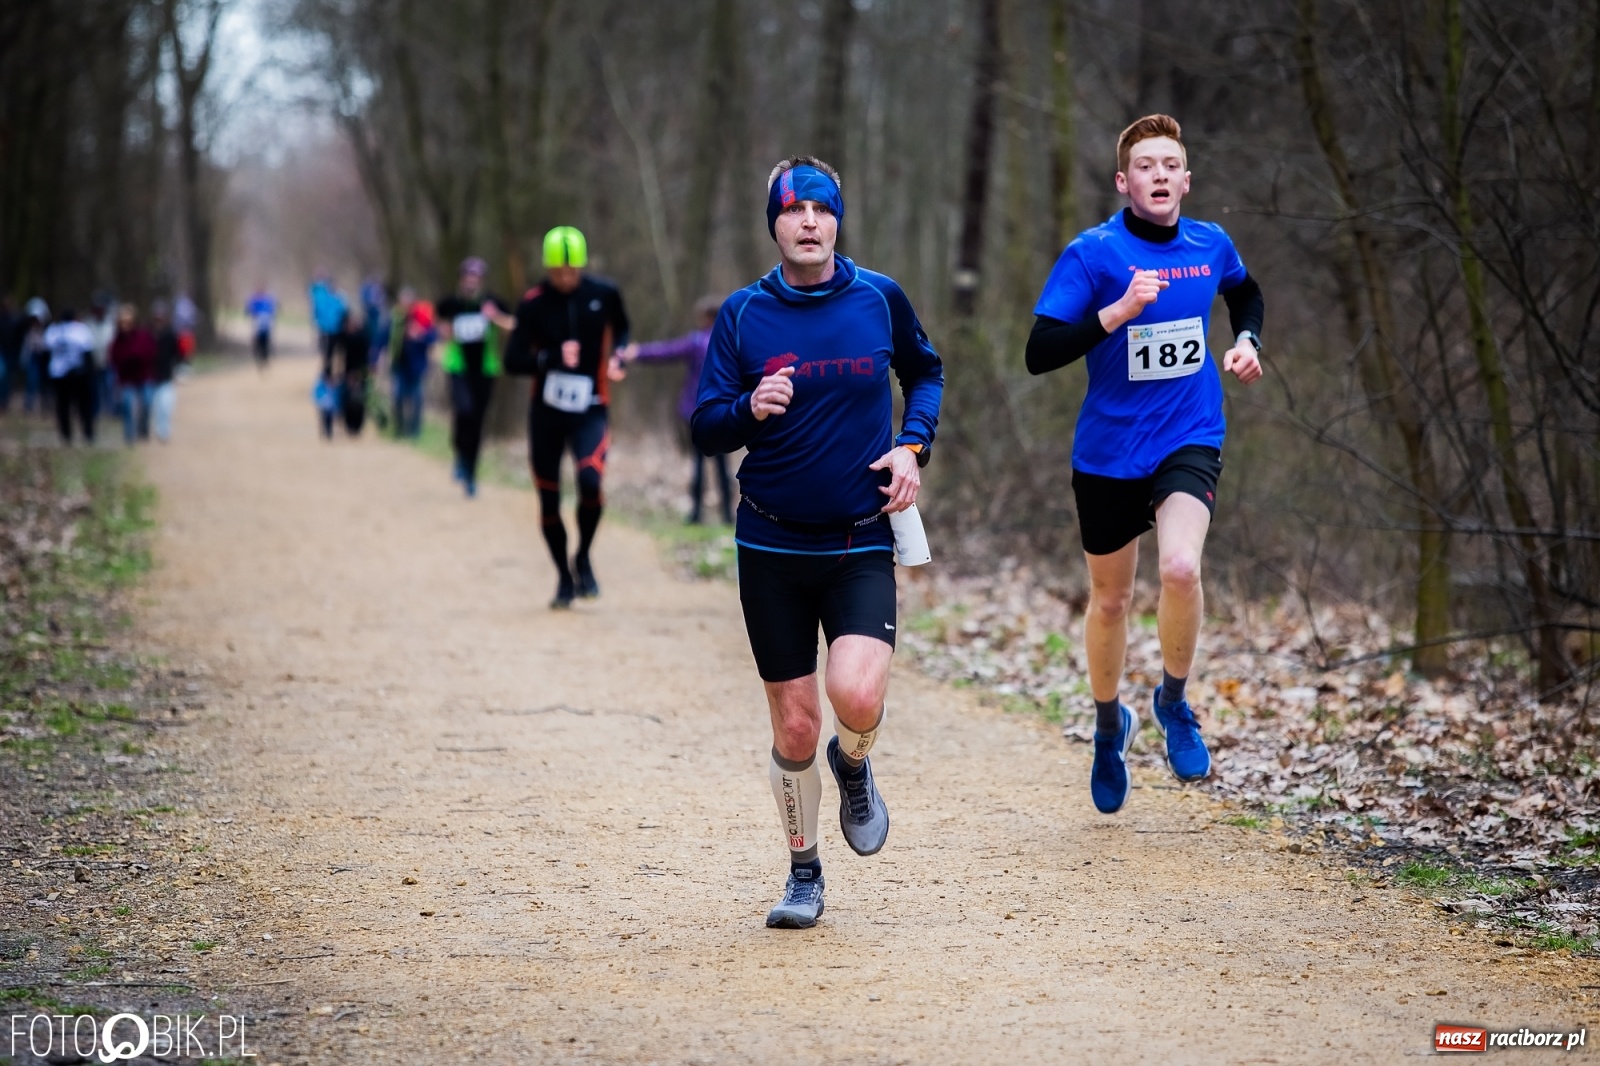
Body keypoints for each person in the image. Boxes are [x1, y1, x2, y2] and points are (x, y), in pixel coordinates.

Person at [691, 157, 943, 929]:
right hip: (769, 544)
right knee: (794, 723)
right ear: (774, 223)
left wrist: (912, 446)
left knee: (857, 696)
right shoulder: (741, 315)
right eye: (794, 209)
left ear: (838, 221)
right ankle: (804, 871)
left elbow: (926, 374)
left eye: (822, 209)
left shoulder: (879, 298)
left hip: (861, 538)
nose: (809, 221)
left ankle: (855, 763)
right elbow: (704, 426)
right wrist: (747, 408)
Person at [1025, 114, 1264, 814]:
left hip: (1189, 434)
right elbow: (1039, 352)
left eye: (1171, 164)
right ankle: (1108, 724)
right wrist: (1117, 311)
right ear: (1124, 182)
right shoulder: (1093, 255)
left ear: (1186, 181)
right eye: (1146, 165)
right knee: (1111, 600)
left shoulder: (1209, 244)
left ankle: (1174, 701)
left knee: (1181, 568)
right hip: (1107, 452)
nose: (1159, 175)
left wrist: (1247, 337)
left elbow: (1244, 290)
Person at [502, 227, 631, 607]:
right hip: (547, 413)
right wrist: (548, 359)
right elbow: (513, 359)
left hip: (590, 406)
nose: (564, 279)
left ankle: (583, 556)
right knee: (548, 499)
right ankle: (562, 576)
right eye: (557, 272)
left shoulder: (603, 293)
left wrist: (618, 355)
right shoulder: (533, 303)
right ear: (547, 269)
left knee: (590, 482)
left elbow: (622, 328)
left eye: (571, 271)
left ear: (582, 266)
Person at [616, 296, 734, 525]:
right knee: (721, 464)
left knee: (699, 463)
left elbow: (666, 352)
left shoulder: (697, 341)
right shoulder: (730, 342)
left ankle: (697, 513)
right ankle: (728, 515)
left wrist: (637, 352)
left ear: (707, 317)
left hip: (696, 412)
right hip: (723, 412)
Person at [436, 257, 510, 498]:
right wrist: (443, 330)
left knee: (478, 422)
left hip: (485, 370)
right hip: (458, 367)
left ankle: (471, 473)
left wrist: (495, 317)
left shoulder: (491, 302)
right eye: (468, 276)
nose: (472, 280)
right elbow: (435, 321)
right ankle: (459, 454)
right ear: (462, 278)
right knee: (463, 411)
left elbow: (514, 324)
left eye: (476, 277)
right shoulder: (452, 302)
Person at [44, 308, 98, 445]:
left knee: (63, 406)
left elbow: (45, 351)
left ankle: (66, 435)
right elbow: (88, 352)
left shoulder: (53, 330)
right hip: (78, 374)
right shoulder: (81, 330)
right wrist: (90, 372)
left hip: (59, 374)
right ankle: (88, 434)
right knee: (83, 406)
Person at [109, 304, 156, 444]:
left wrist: (140, 359)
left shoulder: (143, 335)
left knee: (147, 403)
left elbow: (152, 352)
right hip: (126, 379)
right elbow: (114, 357)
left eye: (128, 321)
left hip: (144, 375)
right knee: (127, 406)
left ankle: (143, 429)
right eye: (122, 322)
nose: (125, 325)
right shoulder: (117, 340)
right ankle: (129, 436)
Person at [390, 292, 434, 439]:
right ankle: (399, 429)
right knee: (397, 397)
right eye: (403, 302)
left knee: (417, 400)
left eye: (408, 303)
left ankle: (414, 432)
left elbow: (433, 337)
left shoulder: (422, 318)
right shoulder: (396, 319)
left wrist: (420, 335)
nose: (405, 306)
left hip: (417, 368)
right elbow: (384, 335)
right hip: (399, 365)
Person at [149, 302, 183, 443]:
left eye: (162, 315)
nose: (160, 318)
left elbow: (178, 353)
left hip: (167, 376)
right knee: (155, 407)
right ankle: (157, 429)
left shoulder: (171, 334)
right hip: (151, 376)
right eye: (157, 315)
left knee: (166, 406)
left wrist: (178, 367)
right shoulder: (149, 334)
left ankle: (165, 431)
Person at [309, 272, 347, 374]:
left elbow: (345, 312)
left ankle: (340, 373)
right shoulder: (324, 298)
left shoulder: (340, 297)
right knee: (327, 354)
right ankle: (327, 373)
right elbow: (318, 312)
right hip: (327, 330)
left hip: (339, 329)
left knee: (341, 353)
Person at [21, 298, 50, 415]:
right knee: (31, 381)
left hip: (44, 359)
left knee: (45, 384)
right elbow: (26, 349)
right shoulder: (28, 331)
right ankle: (29, 405)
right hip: (33, 359)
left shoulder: (47, 330)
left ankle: (46, 406)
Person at [246, 285, 277, 368]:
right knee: (258, 341)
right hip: (258, 322)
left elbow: (272, 310)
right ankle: (260, 358)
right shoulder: (255, 299)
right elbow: (249, 310)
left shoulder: (267, 299)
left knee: (264, 341)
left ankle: (264, 358)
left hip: (265, 323)